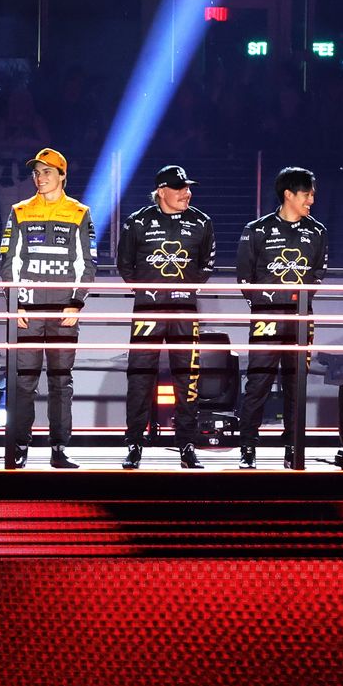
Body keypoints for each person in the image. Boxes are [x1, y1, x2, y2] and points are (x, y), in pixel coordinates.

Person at [0, 146, 95, 469]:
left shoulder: (79, 212)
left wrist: (76, 303)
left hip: (63, 311)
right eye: (37, 172)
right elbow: (8, 262)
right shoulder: (20, 211)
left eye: (47, 172)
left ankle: (59, 448)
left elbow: (87, 264)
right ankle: (19, 446)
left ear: (63, 175)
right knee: (24, 381)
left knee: (60, 381)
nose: (40, 178)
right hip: (27, 311)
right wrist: (15, 304)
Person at [115, 164, 214, 469]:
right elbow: (125, 265)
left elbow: (206, 265)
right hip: (148, 309)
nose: (187, 193)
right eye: (180, 188)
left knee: (188, 378)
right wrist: (149, 292)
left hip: (185, 311)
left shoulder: (201, 221)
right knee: (140, 377)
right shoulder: (137, 221)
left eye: (188, 187)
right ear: (161, 191)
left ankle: (187, 444)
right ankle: (134, 443)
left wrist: (184, 289)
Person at [235, 166, 328, 469]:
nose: (311, 200)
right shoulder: (257, 229)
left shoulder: (318, 231)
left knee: (296, 385)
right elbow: (244, 276)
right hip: (266, 317)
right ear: (289, 194)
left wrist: (299, 302)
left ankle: (293, 447)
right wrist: (264, 304)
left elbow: (318, 273)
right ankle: (248, 447)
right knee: (258, 384)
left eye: (312, 194)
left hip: (301, 320)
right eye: (307, 194)